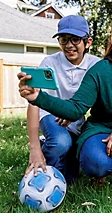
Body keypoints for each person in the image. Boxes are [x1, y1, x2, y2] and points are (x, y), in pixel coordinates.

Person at [18, 12, 112, 195]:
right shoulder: (101, 69)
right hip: (102, 131)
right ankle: (95, 170)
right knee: (95, 162)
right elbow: (76, 108)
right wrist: (38, 97)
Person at [24, 15, 100, 184]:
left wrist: (71, 112)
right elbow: (34, 102)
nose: (69, 46)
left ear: (88, 42)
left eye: (75, 40)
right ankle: (43, 171)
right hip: (50, 116)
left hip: (76, 121)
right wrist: (34, 147)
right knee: (61, 141)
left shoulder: (96, 65)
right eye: (63, 40)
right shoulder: (49, 63)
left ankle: (51, 147)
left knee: (70, 177)